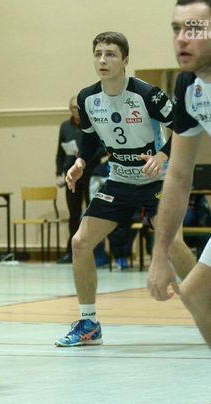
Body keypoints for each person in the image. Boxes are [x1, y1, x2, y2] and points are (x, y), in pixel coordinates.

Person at [55, 31, 195, 347]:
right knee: (80, 242)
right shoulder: (87, 98)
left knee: (173, 244)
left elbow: (182, 128)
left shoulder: (148, 95)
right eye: (98, 54)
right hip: (119, 180)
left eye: (111, 54)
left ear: (125, 60)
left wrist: (162, 156)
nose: (103, 60)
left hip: (158, 181)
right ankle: (89, 323)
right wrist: (80, 162)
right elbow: (89, 138)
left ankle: (206, 305)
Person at [148, 0, 211, 346]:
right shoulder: (189, 86)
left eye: (195, 29)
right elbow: (178, 175)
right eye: (176, 29)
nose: (182, 38)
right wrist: (161, 255)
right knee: (195, 294)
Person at [55, 96, 108, 266]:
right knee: (73, 214)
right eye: (73, 108)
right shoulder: (65, 127)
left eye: (78, 108)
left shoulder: (93, 124)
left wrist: (83, 156)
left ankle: (97, 252)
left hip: (90, 173)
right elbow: (60, 153)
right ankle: (71, 252)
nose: (76, 111)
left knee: (93, 213)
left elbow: (103, 148)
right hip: (71, 174)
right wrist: (58, 173)